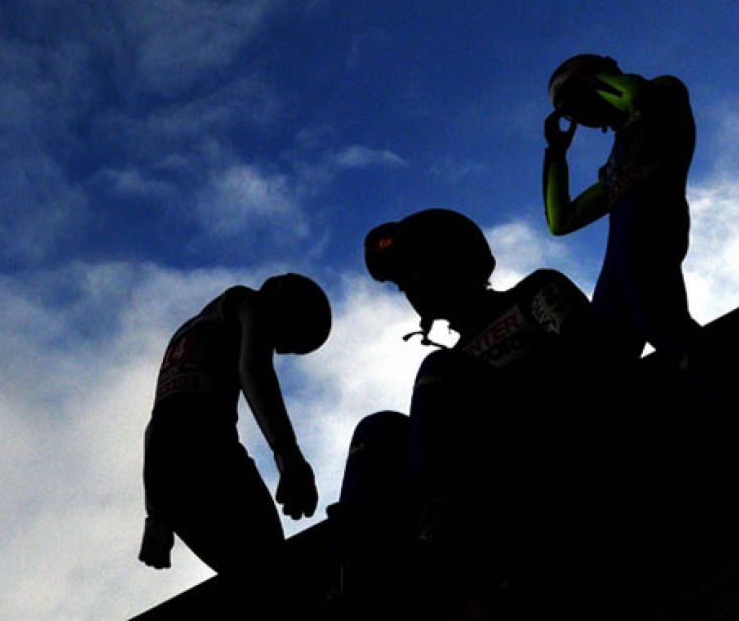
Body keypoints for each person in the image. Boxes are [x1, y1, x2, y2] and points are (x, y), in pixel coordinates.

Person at [332, 209, 607, 610]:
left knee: (438, 371)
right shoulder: (451, 366)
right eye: (403, 281)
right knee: (378, 431)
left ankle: (440, 538)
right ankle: (351, 584)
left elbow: (591, 358)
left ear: (455, 257)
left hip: (551, 460)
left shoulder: (533, 293)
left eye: (416, 270)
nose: (411, 287)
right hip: (472, 484)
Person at [139, 273, 331, 575]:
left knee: (247, 574)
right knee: (274, 565)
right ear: (289, 306)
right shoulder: (248, 302)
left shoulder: (186, 334)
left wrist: (156, 515)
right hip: (208, 453)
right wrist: (289, 457)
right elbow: (253, 368)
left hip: (165, 468)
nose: (277, 348)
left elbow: (157, 425)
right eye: (289, 340)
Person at [543, 54, 702, 366]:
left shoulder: (664, 91)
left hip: (655, 225)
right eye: (567, 108)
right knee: (605, 352)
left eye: (572, 99)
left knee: (659, 316)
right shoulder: (615, 164)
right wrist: (556, 155)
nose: (576, 112)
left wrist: (589, 78)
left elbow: (641, 98)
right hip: (620, 252)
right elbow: (561, 220)